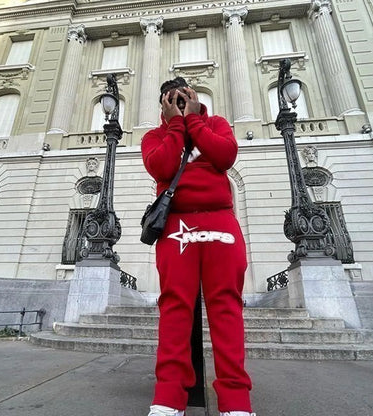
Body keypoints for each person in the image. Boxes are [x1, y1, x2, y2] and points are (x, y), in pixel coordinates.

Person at [141, 77, 255, 416]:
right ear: (162, 103)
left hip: (220, 220)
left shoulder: (215, 124)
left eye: (183, 97)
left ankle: (236, 402)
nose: (177, 102)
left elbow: (225, 156)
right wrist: (176, 125)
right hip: (176, 223)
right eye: (170, 100)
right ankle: (168, 397)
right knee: (175, 306)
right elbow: (160, 167)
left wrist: (193, 119)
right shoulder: (155, 136)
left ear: (193, 96)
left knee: (226, 306)